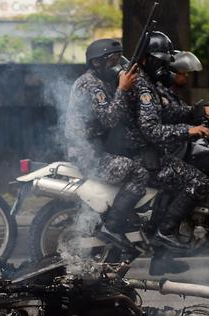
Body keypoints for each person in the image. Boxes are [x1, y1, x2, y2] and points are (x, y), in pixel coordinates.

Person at [112, 32, 209, 275]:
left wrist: (194, 112)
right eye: (159, 60)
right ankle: (163, 234)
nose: (164, 65)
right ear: (145, 59)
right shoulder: (143, 85)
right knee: (198, 181)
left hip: (147, 153)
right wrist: (190, 130)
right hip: (142, 157)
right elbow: (152, 129)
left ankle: (161, 260)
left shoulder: (147, 80)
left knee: (175, 182)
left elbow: (164, 114)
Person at [64, 38, 142, 250]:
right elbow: (109, 119)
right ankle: (112, 227)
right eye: (113, 60)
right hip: (88, 154)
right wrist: (123, 89)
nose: (118, 64)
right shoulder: (91, 85)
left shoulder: (105, 82)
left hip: (99, 148)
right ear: (97, 63)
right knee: (138, 172)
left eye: (119, 59)